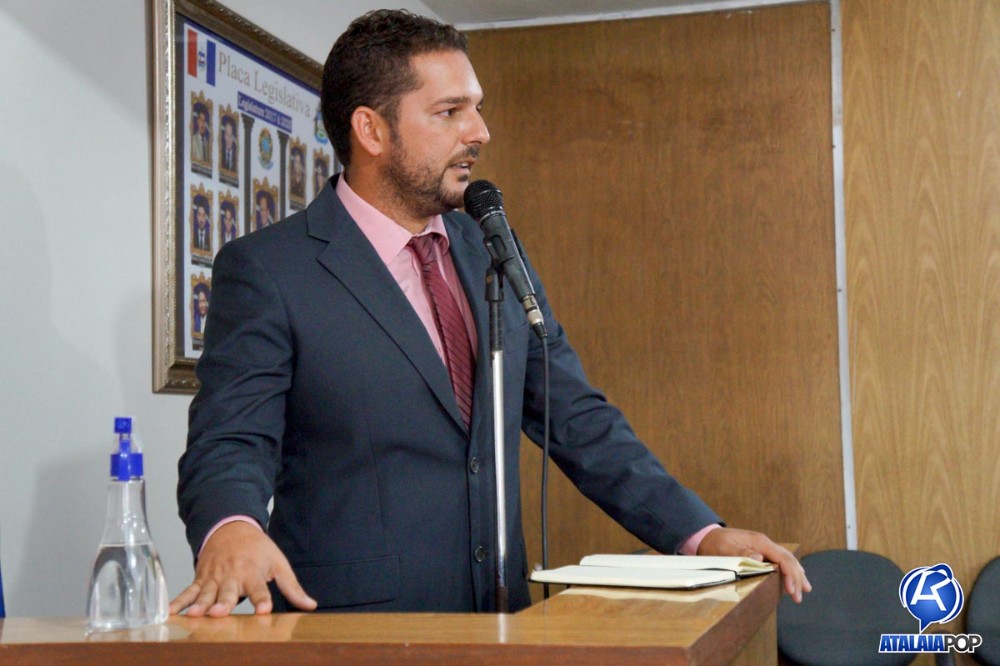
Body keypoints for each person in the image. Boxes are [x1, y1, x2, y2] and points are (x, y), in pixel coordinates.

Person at [172, 9, 810, 618]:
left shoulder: (490, 246)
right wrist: (232, 527)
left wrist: (698, 533)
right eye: (450, 112)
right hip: (353, 630)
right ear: (371, 131)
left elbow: (577, 417)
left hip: (502, 619)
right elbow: (231, 439)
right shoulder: (270, 269)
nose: (479, 131)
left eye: (477, 108)